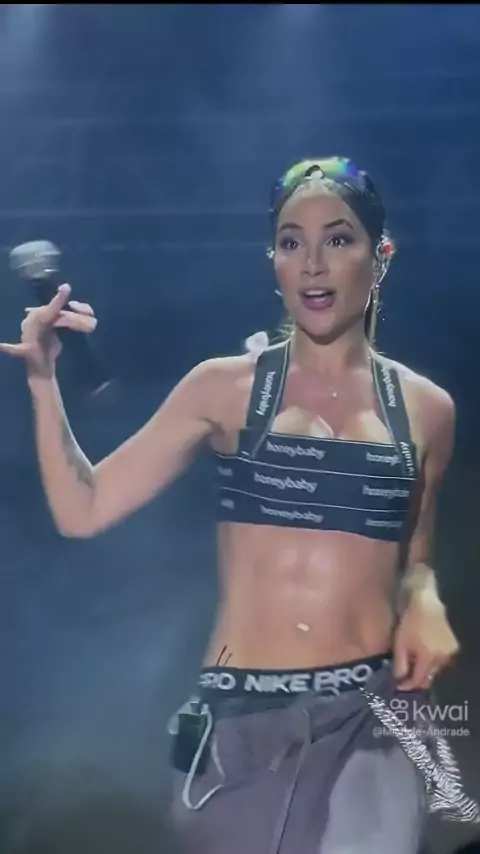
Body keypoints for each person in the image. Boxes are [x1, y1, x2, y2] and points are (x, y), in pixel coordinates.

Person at [1, 156, 478, 853]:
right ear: (274, 263)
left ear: (380, 256)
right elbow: (84, 508)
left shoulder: (428, 409)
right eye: (291, 242)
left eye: (338, 239)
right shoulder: (222, 388)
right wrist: (44, 385)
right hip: (243, 725)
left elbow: (417, 553)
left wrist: (426, 596)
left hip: (372, 718)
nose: (312, 263)